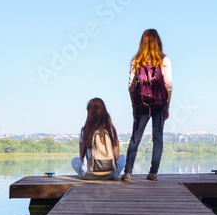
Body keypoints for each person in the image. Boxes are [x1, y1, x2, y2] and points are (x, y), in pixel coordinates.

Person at [122, 28, 172, 181]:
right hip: (160, 104)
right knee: (158, 138)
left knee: (135, 137)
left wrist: (133, 106)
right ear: (158, 42)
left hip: (141, 104)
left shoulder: (136, 60)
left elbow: (131, 86)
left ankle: (128, 172)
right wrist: (167, 106)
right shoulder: (164, 60)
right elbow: (169, 85)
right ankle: (153, 173)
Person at [70, 98, 127, 179]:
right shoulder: (111, 130)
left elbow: (82, 158)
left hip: (88, 175)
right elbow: (117, 156)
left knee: (74, 160)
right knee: (124, 157)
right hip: (110, 174)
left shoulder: (84, 131)